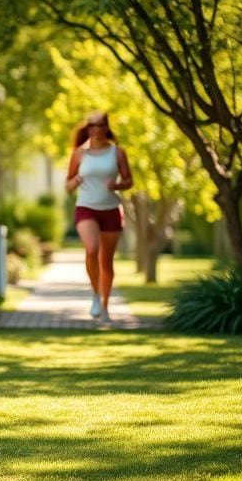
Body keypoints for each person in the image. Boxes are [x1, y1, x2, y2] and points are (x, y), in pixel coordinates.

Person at [65, 110, 133, 323]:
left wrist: (118, 185)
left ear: (106, 128)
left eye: (100, 125)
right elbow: (67, 186)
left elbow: (129, 180)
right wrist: (75, 181)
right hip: (86, 207)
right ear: (88, 129)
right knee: (92, 249)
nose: (96, 129)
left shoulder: (117, 152)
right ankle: (95, 294)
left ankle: (104, 307)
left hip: (111, 209)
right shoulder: (79, 154)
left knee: (107, 262)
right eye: (92, 125)